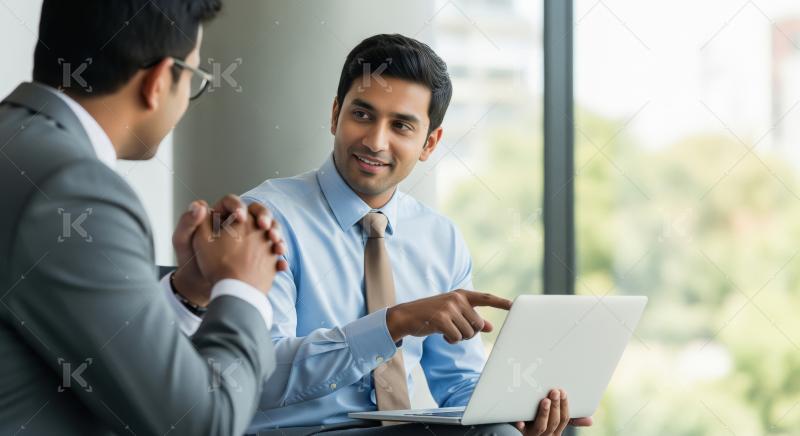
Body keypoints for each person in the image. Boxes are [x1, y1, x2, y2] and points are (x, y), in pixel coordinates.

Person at [170, 34, 593, 436]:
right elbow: (255, 376)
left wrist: (512, 410)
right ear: (336, 113)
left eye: (402, 126)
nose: (375, 141)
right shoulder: (264, 221)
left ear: (430, 143)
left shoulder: (440, 238)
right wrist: (393, 323)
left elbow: (459, 382)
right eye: (362, 114)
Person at [0, 1, 286, 434]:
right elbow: (201, 424)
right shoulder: (75, 188)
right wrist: (244, 290)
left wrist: (188, 292)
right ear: (157, 81)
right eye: (195, 79)